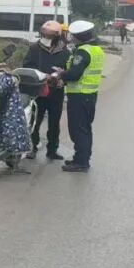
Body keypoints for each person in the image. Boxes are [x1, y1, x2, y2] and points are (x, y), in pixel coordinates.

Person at [50, 20, 104, 173]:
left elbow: (75, 74)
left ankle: (81, 162)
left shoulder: (82, 52)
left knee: (78, 129)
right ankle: (81, 157)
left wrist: (61, 74)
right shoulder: (96, 49)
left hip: (80, 96)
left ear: (78, 37)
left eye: (73, 36)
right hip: (89, 95)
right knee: (84, 128)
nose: (71, 38)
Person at [21, 20, 70, 161]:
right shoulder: (35, 48)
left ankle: (52, 150)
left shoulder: (65, 52)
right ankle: (32, 147)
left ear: (57, 36)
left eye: (49, 35)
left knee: (54, 123)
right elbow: (27, 66)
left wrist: (61, 79)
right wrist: (41, 76)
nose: (46, 38)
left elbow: (69, 71)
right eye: (44, 34)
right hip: (37, 91)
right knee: (34, 121)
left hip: (56, 93)